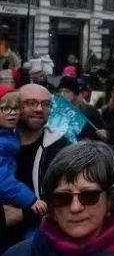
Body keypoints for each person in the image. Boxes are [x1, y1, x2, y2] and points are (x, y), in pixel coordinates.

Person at [12, 84, 72, 239]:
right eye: (31, 103)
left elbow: (68, 195)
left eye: (46, 104)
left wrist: (23, 214)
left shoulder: (62, 148)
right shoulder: (4, 141)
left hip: (42, 235)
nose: (39, 109)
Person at [0, 90, 46, 216]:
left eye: (16, 108)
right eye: (4, 108)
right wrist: (30, 199)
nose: (12, 113)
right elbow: (2, 179)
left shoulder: (8, 133)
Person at [57, 76, 107, 141]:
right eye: (60, 91)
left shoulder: (89, 111)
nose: (62, 94)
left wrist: (103, 134)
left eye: (67, 91)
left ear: (75, 93)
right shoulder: (55, 112)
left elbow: (102, 131)